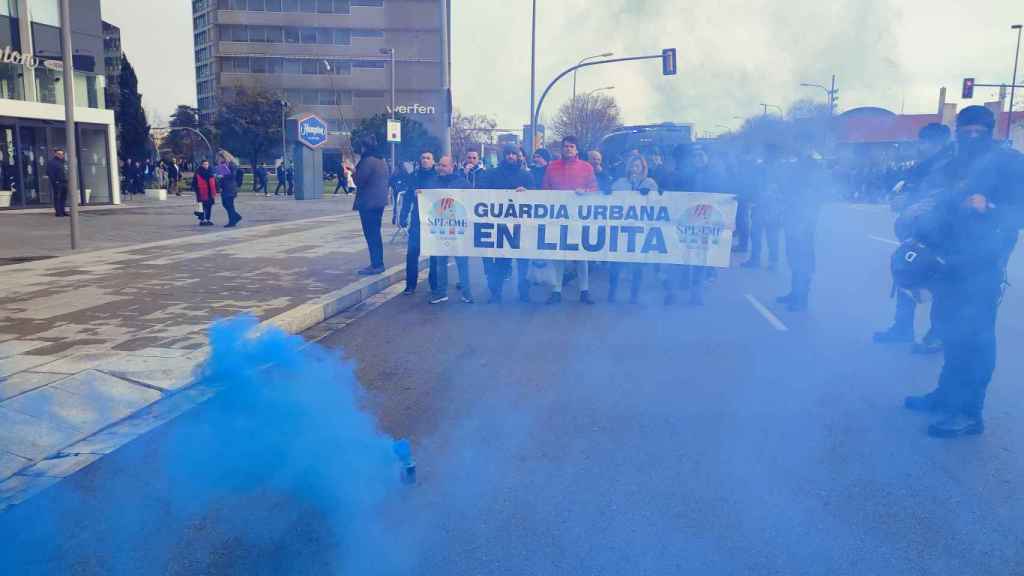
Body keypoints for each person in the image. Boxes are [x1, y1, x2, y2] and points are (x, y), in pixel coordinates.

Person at [903, 105, 1024, 438]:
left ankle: (970, 413)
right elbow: (945, 203)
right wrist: (922, 208)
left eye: (979, 132)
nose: (972, 137)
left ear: (991, 131)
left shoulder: (1010, 163)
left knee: (975, 338)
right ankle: (946, 395)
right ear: (957, 130)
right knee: (947, 329)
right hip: (948, 261)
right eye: (966, 131)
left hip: (984, 265)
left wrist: (991, 207)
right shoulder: (955, 163)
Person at [874, 123, 952, 346]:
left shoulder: (951, 166)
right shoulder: (923, 166)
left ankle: (937, 335)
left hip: (940, 233)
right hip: (916, 230)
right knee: (905, 274)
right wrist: (901, 202)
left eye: (924, 142)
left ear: (937, 142)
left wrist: (909, 204)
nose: (921, 146)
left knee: (939, 283)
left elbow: (942, 197)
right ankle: (902, 328)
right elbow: (911, 192)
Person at [542, 136, 598, 304]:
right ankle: (557, 289)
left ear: (577, 149)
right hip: (558, 216)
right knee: (558, 254)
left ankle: (584, 290)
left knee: (581, 255)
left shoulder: (586, 167)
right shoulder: (552, 167)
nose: (568, 149)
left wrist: (586, 191)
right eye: (566, 146)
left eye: (571, 146)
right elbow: (545, 189)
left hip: (579, 218)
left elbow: (595, 189)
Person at [479, 144, 535, 303]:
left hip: (520, 225)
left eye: (514, 154)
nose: (511, 156)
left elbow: (536, 200)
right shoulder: (492, 174)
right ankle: (496, 293)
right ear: (504, 156)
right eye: (508, 154)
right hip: (500, 225)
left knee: (523, 262)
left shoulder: (527, 176)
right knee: (501, 262)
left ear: (519, 156)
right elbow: (481, 193)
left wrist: (527, 193)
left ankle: (524, 293)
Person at [776, 148, 827, 312]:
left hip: (803, 224)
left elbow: (812, 203)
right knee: (794, 258)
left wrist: (803, 223)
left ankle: (801, 298)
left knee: (802, 261)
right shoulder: (800, 178)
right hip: (794, 221)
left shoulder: (812, 181)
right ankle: (795, 293)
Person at [608, 154, 658, 303]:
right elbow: (610, 200)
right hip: (621, 229)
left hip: (640, 230)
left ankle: (634, 295)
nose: (635, 169)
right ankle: (612, 292)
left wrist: (649, 196)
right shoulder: (620, 183)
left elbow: (657, 203)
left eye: (638, 166)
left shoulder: (650, 183)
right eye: (633, 166)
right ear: (628, 167)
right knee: (616, 263)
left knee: (637, 265)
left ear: (643, 168)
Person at [433, 155, 475, 303]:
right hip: (441, 229)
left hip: (459, 230)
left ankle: (467, 293)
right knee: (441, 262)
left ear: (452, 167)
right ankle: (441, 292)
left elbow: (472, 203)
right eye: (439, 165)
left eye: (444, 166)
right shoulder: (433, 182)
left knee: (462, 262)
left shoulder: (463, 183)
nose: (441, 168)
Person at [399, 151, 441, 298]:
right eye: (423, 158)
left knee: (434, 255)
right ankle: (410, 285)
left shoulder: (438, 176)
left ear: (433, 161)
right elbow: (407, 198)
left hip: (434, 221)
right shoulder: (414, 176)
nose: (425, 160)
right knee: (412, 253)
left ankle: (435, 285)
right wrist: (403, 216)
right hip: (417, 220)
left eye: (428, 158)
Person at [743, 143, 785, 270]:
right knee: (762, 234)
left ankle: (761, 260)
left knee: (767, 235)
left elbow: (785, 188)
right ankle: (767, 261)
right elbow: (752, 185)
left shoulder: (778, 168)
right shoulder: (762, 168)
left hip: (771, 207)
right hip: (764, 206)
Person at [353, 137, 389, 276]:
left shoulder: (367, 161)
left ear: (364, 147)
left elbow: (359, 181)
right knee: (376, 234)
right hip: (378, 203)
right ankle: (377, 263)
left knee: (371, 235)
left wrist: (351, 171)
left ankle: (377, 264)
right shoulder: (381, 161)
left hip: (368, 203)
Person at [215, 151, 242, 227]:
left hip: (230, 187)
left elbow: (233, 175)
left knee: (229, 204)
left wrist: (222, 176)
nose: (218, 159)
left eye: (219, 158)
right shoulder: (223, 165)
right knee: (226, 204)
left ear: (224, 157)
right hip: (225, 187)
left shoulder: (231, 164)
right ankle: (235, 217)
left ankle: (232, 221)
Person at [192, 158, 217, 226]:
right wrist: (196, 189)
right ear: (202, 165)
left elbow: (214, 181)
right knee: (202, 207)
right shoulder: (198, 172)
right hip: (201, 192)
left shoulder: (210, 171)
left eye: (207, 164)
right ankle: (202, 220)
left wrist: (216, 189)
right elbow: (194, 182)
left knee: (209, 206)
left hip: (210, 192)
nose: (206, 165)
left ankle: (208, 219)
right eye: (205, 164)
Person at [46, 148, 68, 217]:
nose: (61, 155)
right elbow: (49, 173)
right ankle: (58, 212)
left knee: (63, 198)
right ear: (55, 154)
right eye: (59, 154)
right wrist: (55, 181)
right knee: (57, 197)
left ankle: (63, 211)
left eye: (62, 154)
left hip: (65, 182)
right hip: (58, 182)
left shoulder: (64, 162)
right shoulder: (51, 162)